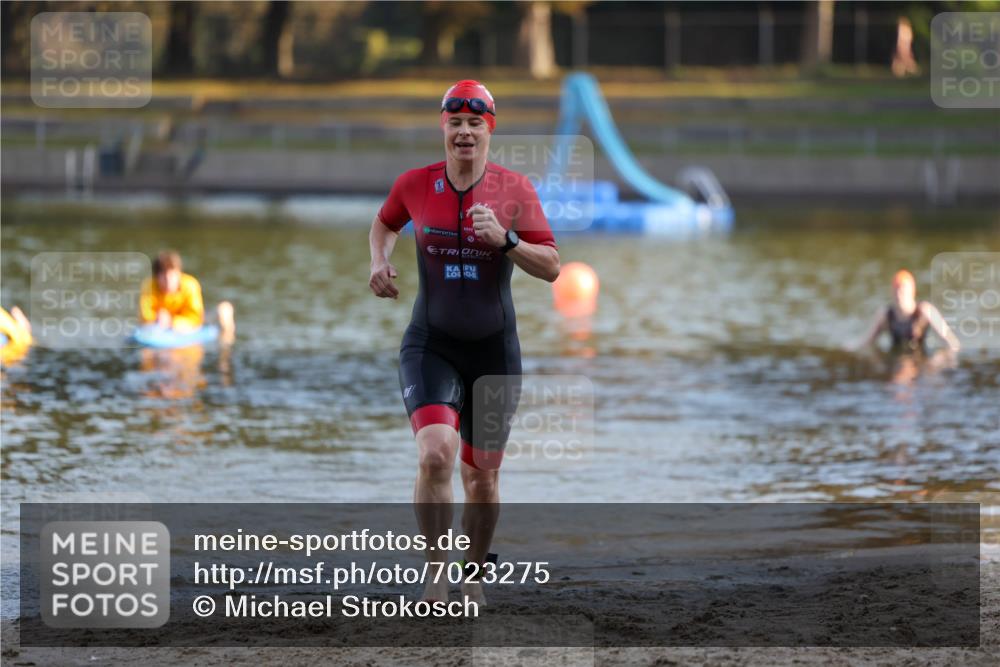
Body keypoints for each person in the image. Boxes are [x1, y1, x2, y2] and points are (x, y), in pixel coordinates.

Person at [369, 80, 561, 605]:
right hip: (430, 343)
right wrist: (378, 261)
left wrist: (507, 239)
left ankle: (473, 572)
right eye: (455, 123)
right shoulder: (414, 184)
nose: (464, 133)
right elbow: (383, 224)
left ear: (489, 130)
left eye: (475, 123)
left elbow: (552, 267)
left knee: (482, 478)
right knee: (435, 454)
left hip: (494, 353)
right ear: (443, 129)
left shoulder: (515, 190)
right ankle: (436, 569)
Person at [139, 250, 235, 343]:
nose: (168, 280)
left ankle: (226, 346)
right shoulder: (149, 286)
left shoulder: (190, 285)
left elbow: (195, 318)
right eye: (163, 276)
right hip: (163, 321)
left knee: (225, 309)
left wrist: (172, 322)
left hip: (193, 319)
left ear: (179, 273)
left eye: (172, 275)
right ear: (156, 277)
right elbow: (145, 316)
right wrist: (156, 318)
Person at [856, 269, 960, 353]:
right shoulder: (886, 314)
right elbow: (867, 342)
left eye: (902, 290)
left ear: (912, 291)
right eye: (896, 290)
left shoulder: (924, 311)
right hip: (896, 360)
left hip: (919, 359)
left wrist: (937, 362)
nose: (899, 294)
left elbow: (951, 343)